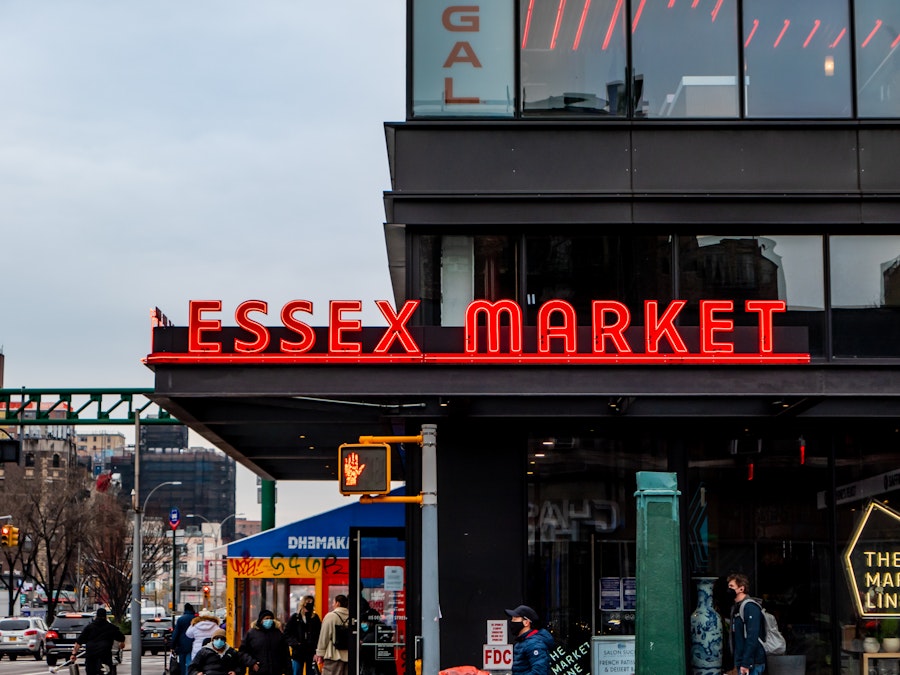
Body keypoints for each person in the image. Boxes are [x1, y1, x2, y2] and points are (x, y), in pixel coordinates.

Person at [728, 573, 767, 675]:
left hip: (752, 663)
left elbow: (752, 636)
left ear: (741, 589)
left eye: (731, 586)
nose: (728, 589)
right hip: (743, 662)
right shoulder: (736, 608)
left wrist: (746, 663)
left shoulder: (750, 607)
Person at [71, 608, 126, 675]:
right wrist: (121, 645)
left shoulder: (89, 627)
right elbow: (121, 639)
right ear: (106, 616)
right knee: (106, 672)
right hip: (105, 656)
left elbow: (78, 642)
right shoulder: (111, 627)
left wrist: (74, 654)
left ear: (96, 616)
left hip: (91, 656)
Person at [239, 609, 292, 675]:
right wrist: (252, 663)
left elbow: (285, 654)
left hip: (276, 671)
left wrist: (288, 670)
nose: (269, 620)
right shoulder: (251, 634)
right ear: (261, 620)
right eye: (266, 618)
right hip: (258, 671)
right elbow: (243, 652)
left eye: (271, 619)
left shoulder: (278, 634)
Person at [504, 605, 553, 675]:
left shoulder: (534, 644)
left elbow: (539, 672)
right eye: (512, 619)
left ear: (526, 622)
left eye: (515, 619)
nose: (512, 622)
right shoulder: (522, 642)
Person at [188, 628, 256, 675]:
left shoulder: (231, 652)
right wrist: (196, 673)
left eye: (222, 638)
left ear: (225, 641)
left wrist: (236, 672)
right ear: (213, 640)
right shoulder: (204, 652)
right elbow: (192, 667)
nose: (219, 640)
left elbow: (241, 666)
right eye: (217, 638)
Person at [285, 595, 322, 675]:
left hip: (311, 652)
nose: (309, 604)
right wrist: (295, 643)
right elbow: (287, 634)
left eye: (311, 602)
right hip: (298, 652)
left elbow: (319, 635)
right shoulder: (295, 617)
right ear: (303, 603)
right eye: (308, 602)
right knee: (297, 671)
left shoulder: (315, 618)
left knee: (311, 672)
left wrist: (317, 651)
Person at [315, 595, 350, 675]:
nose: (332, 604)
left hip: (333, 656)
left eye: (333, 602)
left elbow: (324, 637)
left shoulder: (331, 616)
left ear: (338, 603)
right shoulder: (351, 617)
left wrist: (320, 654)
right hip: (348, 657)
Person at [173, 603, 198, 673]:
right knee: (191, 662)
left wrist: (173, 645)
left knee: (182, 663)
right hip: (193, 643)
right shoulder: (196, 619)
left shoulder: (181, 619)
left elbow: (176, 633)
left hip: (182, 644)